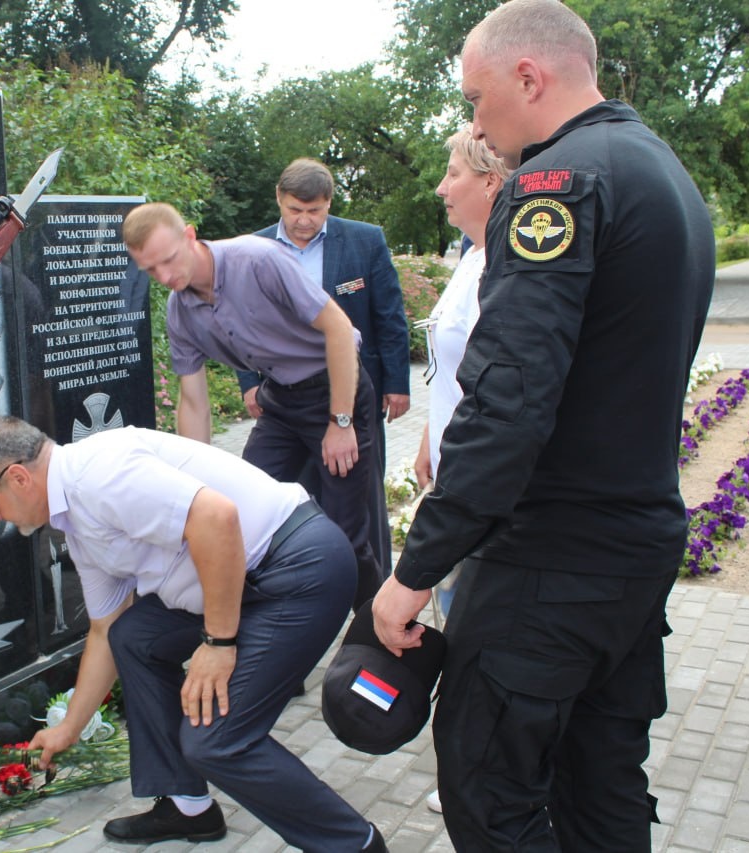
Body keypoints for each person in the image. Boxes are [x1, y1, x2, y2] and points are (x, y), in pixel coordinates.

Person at [370, 1, 715, 849]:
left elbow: (510, 403)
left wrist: (415, 570)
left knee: (491, 787)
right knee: (600, 782)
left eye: (477, 96)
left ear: (530, 77)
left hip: (550, 562)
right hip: (632, 548)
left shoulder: (555, 183)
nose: (474, 119)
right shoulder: (661, 169)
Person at [0, 416, 388, 851]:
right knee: (132, 636)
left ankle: (356, 845)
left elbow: (218, 519)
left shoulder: (98, 477)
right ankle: (189, 809)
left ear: (18, 477)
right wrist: (69, 728)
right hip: (243, 581)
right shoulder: (76, 518)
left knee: (216, 743)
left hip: (296, 570)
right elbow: (104, 630)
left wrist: (218, 643)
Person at [123, 202, 384, 609]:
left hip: (337, 390)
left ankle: (381, 635)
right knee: (241, 511)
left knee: (345, 535)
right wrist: (192, 484)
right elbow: (193, 400)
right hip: (280, 400)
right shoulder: (180, 312)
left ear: (190, 235)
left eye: (170, 260)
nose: (165, 276)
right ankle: (279, 636)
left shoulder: (257, 260)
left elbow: (338, 328)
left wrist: (341, 421)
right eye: (151, 270)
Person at [240, 158, 411, 575]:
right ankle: (297, 584)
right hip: (284, 398)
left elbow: (389, 316)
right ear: (279, 200)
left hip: (355, 393)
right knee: (278, 494)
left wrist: (398, 383)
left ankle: (373, 608)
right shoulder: (254, 248)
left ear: (329, 203)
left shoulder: (364, 241)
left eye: (314, 211)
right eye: (295, 210)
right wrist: (248, 381)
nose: (304, 221)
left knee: (359, 507)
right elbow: (242, 320)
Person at [412, 125, 511, 815]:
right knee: (454, 619)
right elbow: (453, 369)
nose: (441, 187)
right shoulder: (472, 255)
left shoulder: (506, 262)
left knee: (469, 628)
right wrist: (426, 433)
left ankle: (485, 771)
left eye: (453, 173)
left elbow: (499, 387)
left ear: (491, 180)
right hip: (448, 465)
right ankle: (469, 765)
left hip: (477, 488)